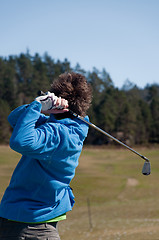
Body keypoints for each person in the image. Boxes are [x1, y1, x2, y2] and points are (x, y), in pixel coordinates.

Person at [0, 72, 92, 240]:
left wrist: (37, 107)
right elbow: (13, 118)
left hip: (27, 225)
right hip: (34, 223)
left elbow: (20, 141)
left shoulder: (58, 133)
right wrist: (39, 107)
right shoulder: (68, 127)